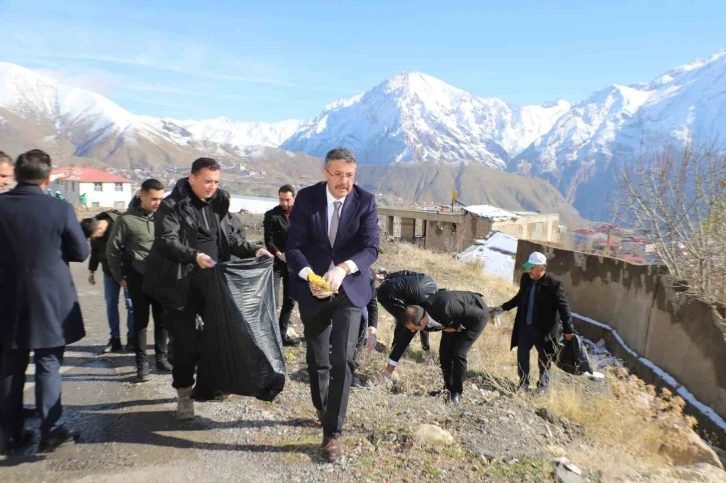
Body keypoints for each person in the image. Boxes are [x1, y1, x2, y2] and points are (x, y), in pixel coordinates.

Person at [143, 158, 272, 419]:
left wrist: (254, 249)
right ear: (192, 178)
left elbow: (231, 239)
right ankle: (184, 396)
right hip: (179, 284)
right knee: (185, 344)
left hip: (213, 283)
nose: (212, 187)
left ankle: (212, 385)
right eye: (207, 181)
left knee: (220, 337)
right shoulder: (171, 205)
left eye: (216, 181)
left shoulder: (219, 203)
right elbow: (167, 241)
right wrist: (195, 256)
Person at [286, 147, 379, 462]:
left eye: (350, 175)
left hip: (350, 290)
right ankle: (323, 406)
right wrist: (311, 276)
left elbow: (371, 248)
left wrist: (342, 268)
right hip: (313, 287)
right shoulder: (306, 198)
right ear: (325, 172)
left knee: (342, 359)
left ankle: (332, 434)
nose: (344, 181)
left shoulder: (365, 201)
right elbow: (294, 246)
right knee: (317, 359)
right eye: (338, 174)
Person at [0, 149, 88, 454]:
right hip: (51, 299)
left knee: (11, 366)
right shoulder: (58, 209)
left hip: (6, 298)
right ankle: (51, 432)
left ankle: (9, 434)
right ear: (48, 178)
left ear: (15, 176)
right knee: (48, 364)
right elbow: (80, 252)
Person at [106, 179, 170, 382]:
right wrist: (119, 278)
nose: (157, 203)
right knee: (140, 322)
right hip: (138, 278)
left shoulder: (166, 217)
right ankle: (142, 364)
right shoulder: (125, 220)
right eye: (153, 199)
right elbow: (112, 250)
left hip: (162, 279)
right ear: (142, 196)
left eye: (161, 199)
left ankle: (161, 358)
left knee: (162, 322)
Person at [490, 252, 574, 395]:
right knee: (522, 355)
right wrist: (502, 308)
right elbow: (519, 298)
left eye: (532, 268)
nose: (529, 271)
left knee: (544, 360)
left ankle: (542, 387)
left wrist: (568, 329)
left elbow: (564, 308)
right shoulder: (526, 279)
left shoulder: (554, 285)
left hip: (544, 331)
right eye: (529, 267)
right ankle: (523, 384)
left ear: (542, 268)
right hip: (525, 327)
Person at [402, 290, 490, 406]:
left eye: (414, 328)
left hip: (475, 315)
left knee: (458, 353)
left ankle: (456, 393)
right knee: (444, 352)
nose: (412, 331)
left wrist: (459, 327)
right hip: (452, 319)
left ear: (422, 321)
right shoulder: (420, 313)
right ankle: (447, 389)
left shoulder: (446, 308)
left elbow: (478, 314)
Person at [80, 210, 135, 353]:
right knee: (111, 305)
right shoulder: (93, 228)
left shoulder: (121, 225)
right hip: (108, 273)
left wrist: (124, 276)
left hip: (126, 273)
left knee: (131, 306)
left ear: (99, 228)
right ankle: (115, 339)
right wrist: (91, 271)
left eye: (95, 236)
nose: (94, 239)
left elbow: (132, 252)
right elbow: (95, 253)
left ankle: (132, 339)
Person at [370, 270, 438, 384]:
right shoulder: (425, 302)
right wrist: (427, 354)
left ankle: (395, 346)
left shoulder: (431, 282)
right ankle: (395, 350)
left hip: (392, 286)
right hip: (387, 295)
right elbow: (422, 327)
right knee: (408, 321)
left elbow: (407, 273)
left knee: (405, 319)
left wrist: (387, 276)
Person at [263, 184, 299, 346]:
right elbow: (268, 240)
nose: (284, 203)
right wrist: (279, 254)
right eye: (281, 199)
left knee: (290, 300)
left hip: (294, 264)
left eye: (288, 200)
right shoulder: (271, 215)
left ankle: (281, 334)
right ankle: (267, 336)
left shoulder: (301, 215)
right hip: (277, 263)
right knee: (272, 299)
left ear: (294, 198)